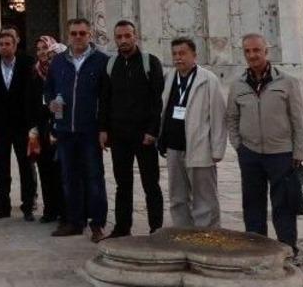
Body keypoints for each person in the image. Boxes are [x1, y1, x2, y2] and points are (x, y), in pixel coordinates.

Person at [226, 33, 303, 253]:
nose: (252, 55)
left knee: (283, 204)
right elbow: (231, 117)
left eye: (256, 50)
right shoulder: (238, 85)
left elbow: (297, 118)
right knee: (252, 203)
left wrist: (299, 150)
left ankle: (287, 248)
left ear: (266, 51)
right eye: (247, 51)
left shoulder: (287, 82)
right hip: (250, 153)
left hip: (281, 153)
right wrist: (238, 145)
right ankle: (256, 248)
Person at [98, 20, 165, 238]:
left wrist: (152, 131)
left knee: (150, 183)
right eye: (119, 37)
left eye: (127, 36)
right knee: (122, 184)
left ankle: (156, 227)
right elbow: (105, 100)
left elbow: (157, 101)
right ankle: (122, 227)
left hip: (144, 135)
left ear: (135, 36)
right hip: (119, 135)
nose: (124, 41)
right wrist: (103, 129)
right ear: (114, 39)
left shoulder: (149, 63)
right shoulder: (111, 65)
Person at [45, 18, 109, 241]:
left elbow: (107, 98)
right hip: (65, 130)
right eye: (74, 33)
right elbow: (49, 90)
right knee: (69, 177)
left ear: (90, 35)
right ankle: (74, 221)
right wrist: (52, 103)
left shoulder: (102, 61)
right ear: (68, 35)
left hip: (90, 130)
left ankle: (97, 223)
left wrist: (104, 128)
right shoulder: (59, 62)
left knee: (93, 176)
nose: (78, 37)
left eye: (83, 33)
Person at [158, 36, 226, 229]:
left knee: (205, 197)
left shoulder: (208, 79)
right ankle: (183, 233)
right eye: (175, 54)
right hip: (174, 146)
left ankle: (208, 235)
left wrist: (217, 150)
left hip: (200, 145)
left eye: (182, 53)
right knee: (177, 196)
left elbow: (218, 116)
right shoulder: (170, 77)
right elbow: (163, 109)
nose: (178, 58)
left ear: (194, 55)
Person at [0, 29, 37, 220]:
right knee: (0, 166)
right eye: (1, 44)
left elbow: (31, 96)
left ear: (15, 45)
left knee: (26, 166)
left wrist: (33, 126)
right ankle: (3, 206)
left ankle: (28, 206)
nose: (4, 47)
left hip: (22, 125)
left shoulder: (27, 63)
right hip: (0, 125)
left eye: (8, 44)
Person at [27, 36, 67, 225]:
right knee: (45, 168)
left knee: (61, 170)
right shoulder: (34, 73)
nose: (42, 52)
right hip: (41, 126)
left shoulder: (61, 71)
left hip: (60, 126)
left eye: (46, 49)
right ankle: (49, 209)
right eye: (39, 49)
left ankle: (64, 209)